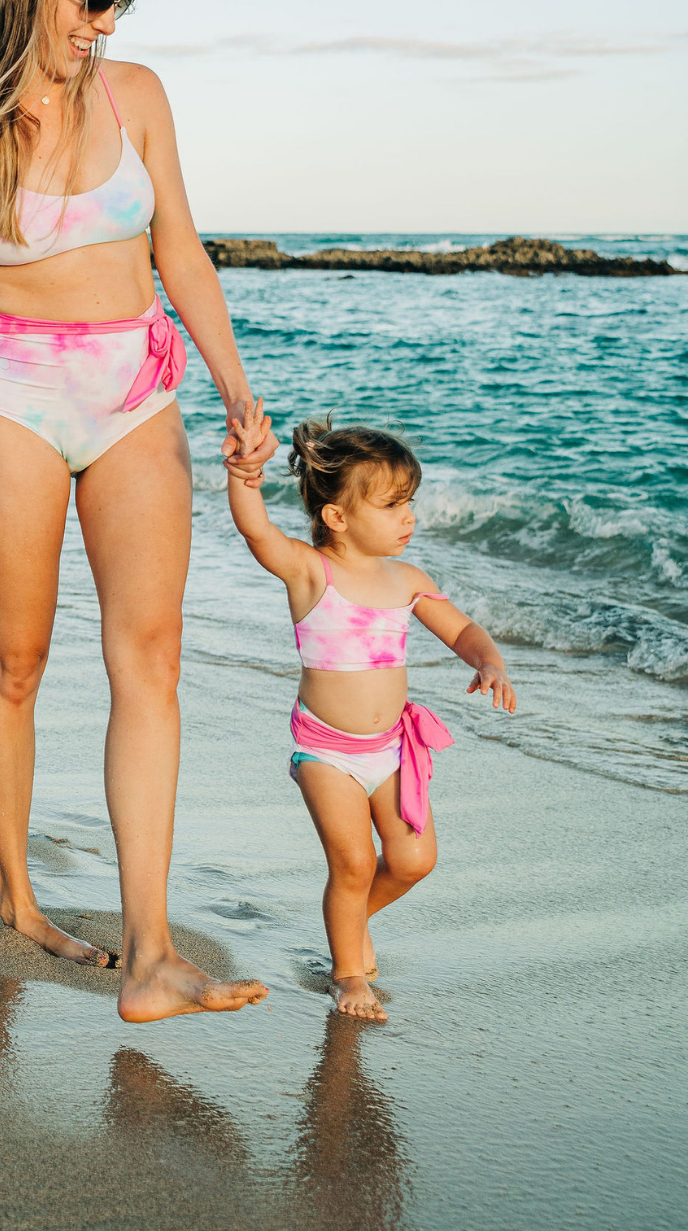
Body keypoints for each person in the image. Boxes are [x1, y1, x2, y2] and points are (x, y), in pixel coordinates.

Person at [0, 0, 275, 1022]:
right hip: (11, 393)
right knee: (16, 658)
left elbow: (183, 251)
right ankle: (17, 893)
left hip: (135, 390)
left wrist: (237, 386)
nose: (107, 20)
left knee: (149, 657)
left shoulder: (137, 94)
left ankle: (151, 951)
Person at [225, 406, 517, 1021]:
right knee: (354, 864)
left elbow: (462, 629)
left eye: (409, 502)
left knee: (414, 860)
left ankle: (348, 917)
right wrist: (244, 477)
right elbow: (257, 534)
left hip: (391, 748)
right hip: (326, 750)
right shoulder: (311, 572)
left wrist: (488, 661)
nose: (409, 518)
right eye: (391, 506)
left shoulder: (407, 578)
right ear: (337, 516)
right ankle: (348, 973)